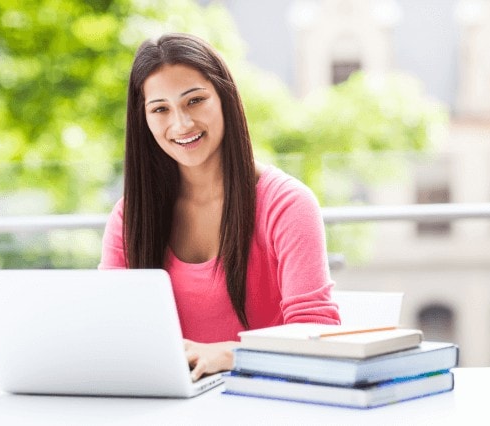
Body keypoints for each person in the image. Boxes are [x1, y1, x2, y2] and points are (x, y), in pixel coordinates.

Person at [99, 33, 340, 381]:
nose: (181, 124)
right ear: (144, 119)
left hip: (268, 402)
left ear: (224, 98)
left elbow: (317, 338)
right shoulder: (129, 218)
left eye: (195, 101)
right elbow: (110, 332)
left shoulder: (287, 204)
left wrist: (230, 355)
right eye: (160, 109)